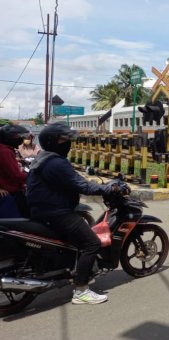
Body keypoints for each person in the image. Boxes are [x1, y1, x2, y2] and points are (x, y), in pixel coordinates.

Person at [26, 122, 119, 305]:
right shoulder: (55, 162)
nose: (68, 144)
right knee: (92, 243)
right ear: (53, 142)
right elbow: (82, 185)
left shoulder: (44, 157)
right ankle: (81, 290)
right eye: (65, 140)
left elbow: (72, 180)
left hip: (43, 210)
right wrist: (108, 189)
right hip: (56, 212)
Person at [0, 124, 29, 218]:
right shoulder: (5, 151)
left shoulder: (5, 150)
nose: (21, 140)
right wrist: (34, 177)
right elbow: (16, 175)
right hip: (9, 193)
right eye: (18, 137)